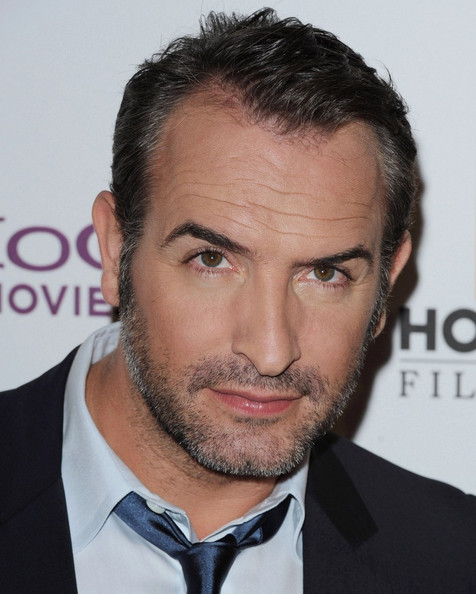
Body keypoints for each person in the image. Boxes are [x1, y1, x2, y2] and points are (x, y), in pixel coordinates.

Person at [1, 8, 475, 594]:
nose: (271, 351)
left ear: (386, 283)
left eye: (325, 273)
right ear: (115, 247)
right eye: (211, 260)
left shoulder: (453, 559)